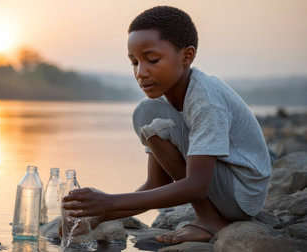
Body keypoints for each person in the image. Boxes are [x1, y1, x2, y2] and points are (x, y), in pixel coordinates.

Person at [62, 6, 271, 244]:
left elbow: (196, 187)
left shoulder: (205, 101)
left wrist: (111, 200)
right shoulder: (163, 104)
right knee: (146, 112)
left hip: (241, 194)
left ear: (187, 56)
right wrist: (98, 215)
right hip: (222, 190)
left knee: (146, 113)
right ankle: (210, 217)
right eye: (134, 62)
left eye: (152, 60)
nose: (141, 72)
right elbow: (157, 183)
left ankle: (210, 221)